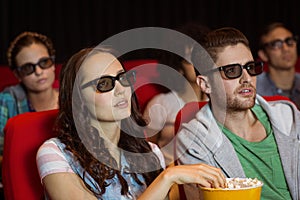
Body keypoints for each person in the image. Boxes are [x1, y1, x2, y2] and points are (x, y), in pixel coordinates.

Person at [36, 46, 226, 199]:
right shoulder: (55, 153)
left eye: (122, 78)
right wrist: (168, 177)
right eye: (104, 83)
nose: (121, 89)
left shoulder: (150, 152)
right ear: (77, 99)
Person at [176, 27, 299, 200]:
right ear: (205, 84)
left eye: (250, 67)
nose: (247, 78)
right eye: (232, 71)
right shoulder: (194, 140)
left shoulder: (289, 117)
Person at [143, 23, 210, 164]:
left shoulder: (219, 101)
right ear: (178, 67)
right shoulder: (161, 103)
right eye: (191, 60)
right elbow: (146, 149)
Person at [0, 31, 59, 174]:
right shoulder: (8, 100)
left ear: (52, 64)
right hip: (21, 175)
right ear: (17, 74)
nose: (38, 71)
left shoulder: (70, 98)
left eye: (44, 62)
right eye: (28, 68)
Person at [256, 22, 300, 109]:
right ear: (263, 55)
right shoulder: (254, 88)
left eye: (289, 41)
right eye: (276, 44)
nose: (286, 49)